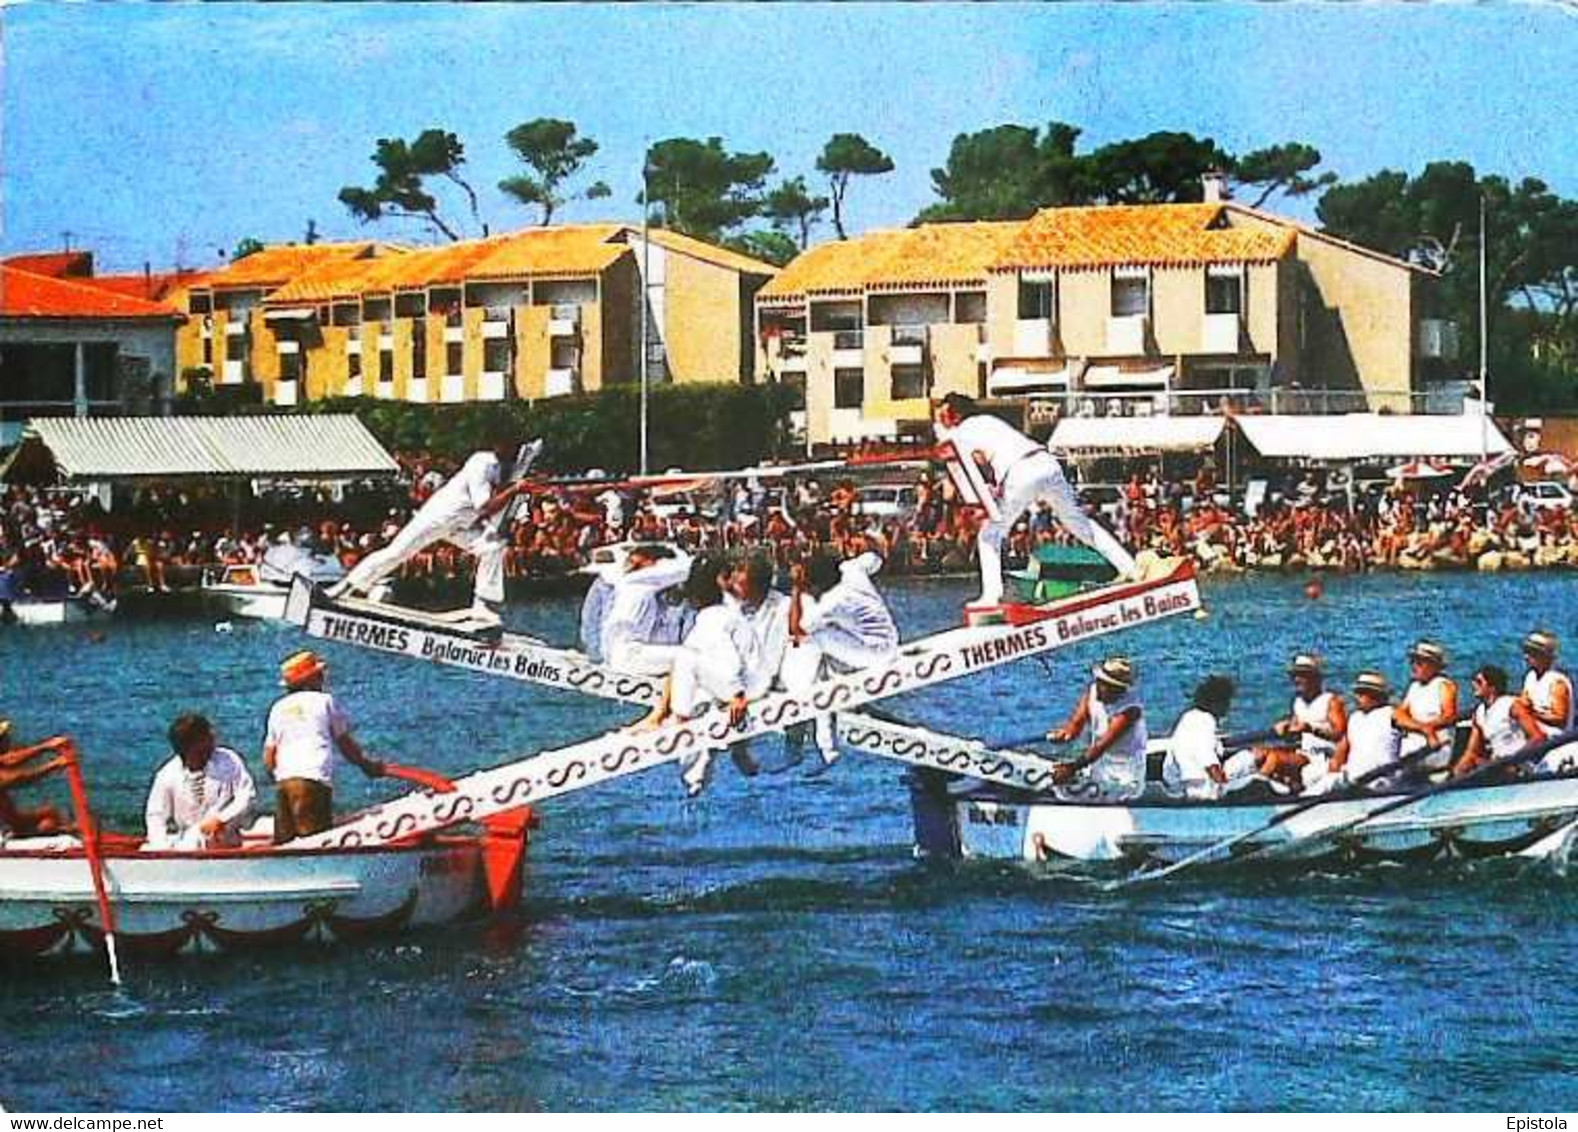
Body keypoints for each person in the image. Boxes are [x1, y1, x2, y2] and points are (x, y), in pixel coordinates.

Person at [931, 393, 1136, 608]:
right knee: (1080, 524)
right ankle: (1129, 567)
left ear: (955, 416)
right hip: (1047, 463)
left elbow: (959, 457)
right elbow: (982, 456)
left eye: (945, 414)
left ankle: (992, 597)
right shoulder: (988, 421)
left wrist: (981, 502)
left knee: (989, 534)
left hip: (1021, 471)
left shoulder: (963, 431)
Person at [328, 431, 542, 628]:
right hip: (438, 516)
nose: (512, 451)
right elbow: (485, 507)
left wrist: (520, 495)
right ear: (498, 445)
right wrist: (515, 489)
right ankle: (344, 587)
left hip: (461, 524)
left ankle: (483, 605)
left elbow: (503, 505)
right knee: (397, 552)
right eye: (509, 446)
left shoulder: (509, 469)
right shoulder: (482, 462)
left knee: (494, 547)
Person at [633, 558, 761, 796]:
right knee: (692, 672)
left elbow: (726, 657)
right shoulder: (720, 613)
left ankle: (682, 727)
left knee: (686, 661)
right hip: (744, 677)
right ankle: (734, 751)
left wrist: (737, 695)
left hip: (739, 683)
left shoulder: (713, 618)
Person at [781, 544, 900, 770]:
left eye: (808, 587)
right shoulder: (851, 570)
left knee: (814, 637)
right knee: (822, 635)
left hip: (876, 653)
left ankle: (801, 689)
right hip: (890, 640)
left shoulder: (831, 601)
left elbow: (795, 629)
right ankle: (825, 680)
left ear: (819, 585)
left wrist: (796, 589)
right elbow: (875, 559)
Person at [263, 651, 385, 843]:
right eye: (319, 675)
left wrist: (280, 779)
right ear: (310, 680)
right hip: (313, 781)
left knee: (286, 845)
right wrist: (366, 765)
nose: (323, 679)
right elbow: (344, 744)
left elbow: (269, 759)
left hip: (284, 784)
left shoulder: (278, 708)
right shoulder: (325, 701)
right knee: (316, 842)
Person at [143, 712, 256, 850]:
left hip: (225, 840)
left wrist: (221, 819)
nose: (213, 739)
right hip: (188, 843)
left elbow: (246, 796)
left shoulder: (228, 760)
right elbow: (156, 815)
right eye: (206, 737)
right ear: (191, 744)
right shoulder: (167, 774)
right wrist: (160, 848)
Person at [1045, 656, 1148, 798]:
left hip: (1126, 776)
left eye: (1108, 686)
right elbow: (1074, 727)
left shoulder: (1130, 710)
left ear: (1120, 689)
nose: (1102, 689)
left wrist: (1071, 768)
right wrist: (1063, 735)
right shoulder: (1092, 692)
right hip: (1100, 767)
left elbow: (1101, 746)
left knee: (1063, 786)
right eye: (1100, 683)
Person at [1257, 654, 1348, 795]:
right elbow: (1294, 734)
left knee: (1275, 758)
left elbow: (1340, 734)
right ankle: (1257, 790)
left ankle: (1256, 791)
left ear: (1314, 678)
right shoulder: (1298, 702)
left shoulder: (1331, 701)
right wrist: (1286, 728)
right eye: (1294, 676)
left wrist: (1311, 729)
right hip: (1305, 754)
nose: (1296, 680)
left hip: (1324, 756)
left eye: (1302, 675)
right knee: (1261, 753)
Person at [597, 545, 694, 673]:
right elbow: (684, 570)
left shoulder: (632, 582)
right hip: (629, 656)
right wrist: (675, 548)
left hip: (619, 653)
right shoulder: (640, 579)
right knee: (692, 657)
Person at [1453, 665, 1542, 781]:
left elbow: (1538, 737)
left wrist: (1514, 760)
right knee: (1472, 764)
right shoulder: (1479, 713)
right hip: (1498, 764)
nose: (1474, 685)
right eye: (1474, 681)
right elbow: (1472, 751)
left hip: (1519, 764)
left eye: (1479, 682)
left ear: (1492, 687)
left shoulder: (1512, 705)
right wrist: (1457, 771)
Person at [1393, 640, 1460, 776]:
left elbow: (1449, 716)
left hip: (1435, 749)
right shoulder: (1414, 687)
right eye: (1413, 662)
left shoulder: (1444, 686)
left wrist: (1427, 728)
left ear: (1433, 665)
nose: (1414, 666)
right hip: (1415, 748)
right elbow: (1399, 716)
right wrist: (1423, 728)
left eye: (1419, 663)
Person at [1330, 671, 1405, 789]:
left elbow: (1417, 727)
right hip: (1353, 778)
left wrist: (1429, 733)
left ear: (1375, 695)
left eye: (1361, 693)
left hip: (1380, 779)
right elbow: (1342, 749)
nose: (1357, 696)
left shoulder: (1391, 713)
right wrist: (1334, 765)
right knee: (1325, 783)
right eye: (1357, 692)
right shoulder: (1355, 718)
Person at [0, 718, 68, 838]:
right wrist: (53, 765)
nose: (9, 739)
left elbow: (10, 759)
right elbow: (18, 779)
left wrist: (47, 746)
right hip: (6, 832)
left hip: (12, 824)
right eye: (4, 737)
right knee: (49, 823)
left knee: (50, 813)